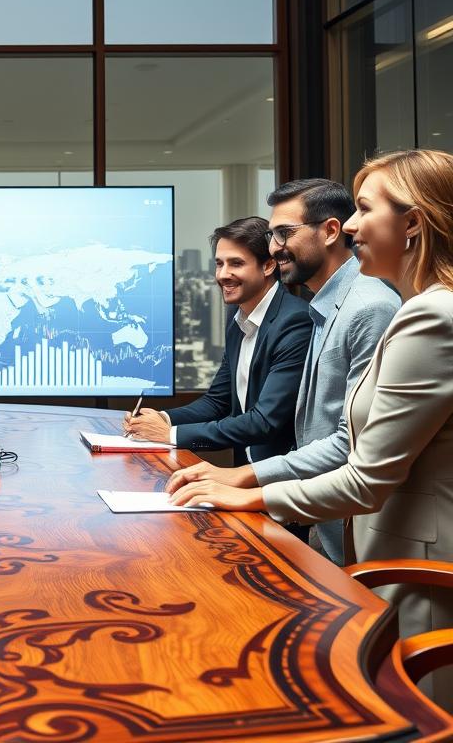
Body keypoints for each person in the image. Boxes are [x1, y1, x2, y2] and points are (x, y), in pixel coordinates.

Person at [168, 150, 453, 704]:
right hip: (385, 547)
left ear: (413, 223)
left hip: (417, 563)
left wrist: (249, 491)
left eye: (365, 209)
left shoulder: (426, 314)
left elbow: (364, 471)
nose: (350, 225)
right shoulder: (410, 306)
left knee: (412, 712)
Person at [168, 179, 399, 563]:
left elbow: (350, 442)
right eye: (273, 235)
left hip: (358, 528)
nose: (275, 247)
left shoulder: (368, 307)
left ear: (330, 232)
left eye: (284, 233)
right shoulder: (324, 305)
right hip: (324, 520)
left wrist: (244, 479)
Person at [125, 216, 312, 465]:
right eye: (219, 264)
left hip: (280, 479)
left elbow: (264, 421)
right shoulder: (237, 315)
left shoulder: (294, 321)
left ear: (268, 266)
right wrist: (162, 419)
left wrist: (169, 435)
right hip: (244, 471)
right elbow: (217, 402)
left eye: (236, 263)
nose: (223, 275)